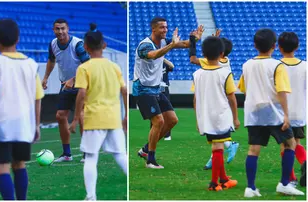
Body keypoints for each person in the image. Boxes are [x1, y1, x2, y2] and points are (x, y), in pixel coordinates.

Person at [0, 19, 44, 200]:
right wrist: (36, 125)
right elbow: (38, 98)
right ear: (18, 38)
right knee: (19, 164)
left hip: (1, 126)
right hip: (23, 125)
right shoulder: (30, 64)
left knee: (2, 166)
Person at [238, 28, 304, 197]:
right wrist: (286, 115)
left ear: (254, 45)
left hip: (254, 112)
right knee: (290, 144)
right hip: (274, 111)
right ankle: (284, 183)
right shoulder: (277, 65)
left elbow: (244, 88)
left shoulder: (246, 65)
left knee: (253, 150)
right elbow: (281, 91)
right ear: (274, 46)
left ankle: (250, 188)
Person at [133, 16, 203, 168]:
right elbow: (153, 55)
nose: (165, 30)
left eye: (166, 27)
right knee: (158, 121)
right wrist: (171, 45)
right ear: (153, 29)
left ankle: (145, 150)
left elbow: (184, 44)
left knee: (172, 120)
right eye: (162, 27)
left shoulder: (164, 42)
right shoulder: (145, 45)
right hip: (143, 89)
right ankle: (150, 160)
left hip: (156, 88)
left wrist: (194, 39)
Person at [69, 25, 127, 200]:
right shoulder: (114, 67)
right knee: (120, 155)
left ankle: (91, 196)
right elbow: (124, 91)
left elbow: (82, 93)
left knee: (91, 157)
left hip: (94, 117)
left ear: (85, 47)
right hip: (114, 118)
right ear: (104, 45)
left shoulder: (84, 68)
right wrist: (125, 117)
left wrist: (76, 118)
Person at [191, 35, 239, 191]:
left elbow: (195, 99)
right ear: (221, 54)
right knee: (218, 148)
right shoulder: (225, 73)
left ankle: (224, 179)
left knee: (216, 146)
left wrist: (198, 120)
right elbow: (232, 98)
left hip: (205, 116)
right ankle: (214, 183)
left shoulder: (197, 74)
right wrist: (236, 118)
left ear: (203, 55)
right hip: (221, 115)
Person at [42, 18, 90, 163]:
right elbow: (51, 60)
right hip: (65, 85)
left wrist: (74, 79)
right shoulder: (53, 44)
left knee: (81, 116)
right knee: (60, 116)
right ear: (53, 30)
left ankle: (87, 153)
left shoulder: (78, 44)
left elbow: (88, 65)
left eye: (63, 28)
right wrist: (45, 78)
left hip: (82, 85)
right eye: (57, 29)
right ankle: (67, 154)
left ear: (68, 29)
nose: (60, 31)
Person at [278, 31, 306, 187]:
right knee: (297, 142)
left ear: (279, 48)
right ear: (298, 46)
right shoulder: (305, 66)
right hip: (300, 112)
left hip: (283, 114)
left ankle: (291, 178)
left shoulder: (277, 66)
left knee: (285, 145)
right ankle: (305, 162)